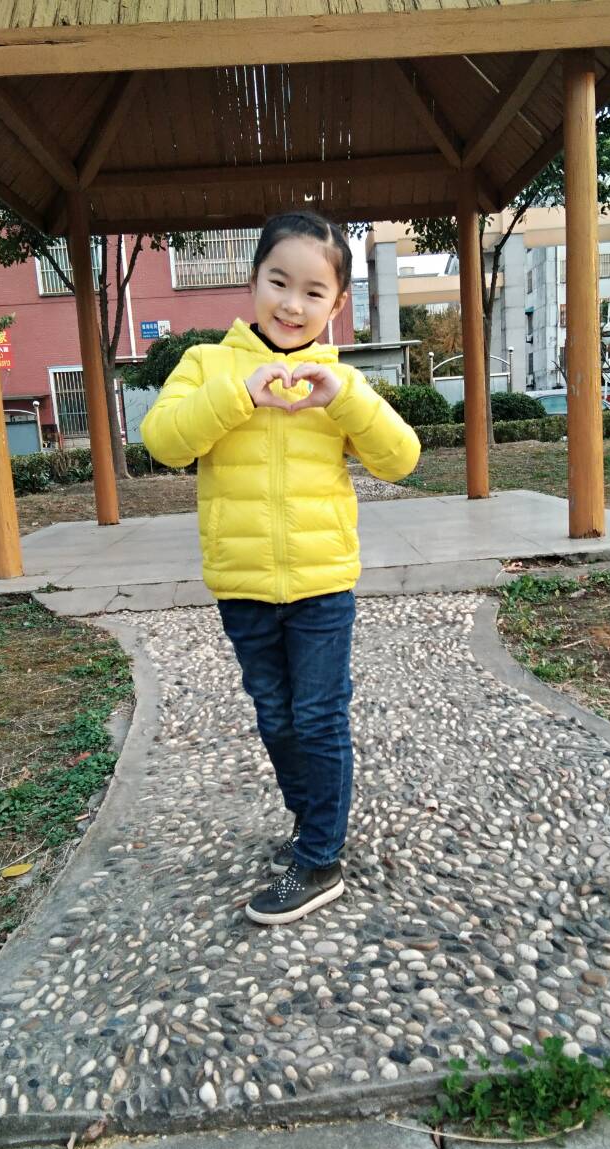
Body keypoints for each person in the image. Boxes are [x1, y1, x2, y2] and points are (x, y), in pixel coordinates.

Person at [140, 211, 420, 926]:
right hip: (244, 586)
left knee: (318, 717)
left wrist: (346, 399)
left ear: (338, 304)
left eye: (313, 292)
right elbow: (164, 443)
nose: (292, 305)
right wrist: (241, 394)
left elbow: (402, 459)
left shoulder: (339, 381)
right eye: (278, 282)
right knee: (276, 717)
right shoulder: (207, 365)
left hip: (322, 585)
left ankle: (320, 856)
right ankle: (310, 828)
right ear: (253, 280)